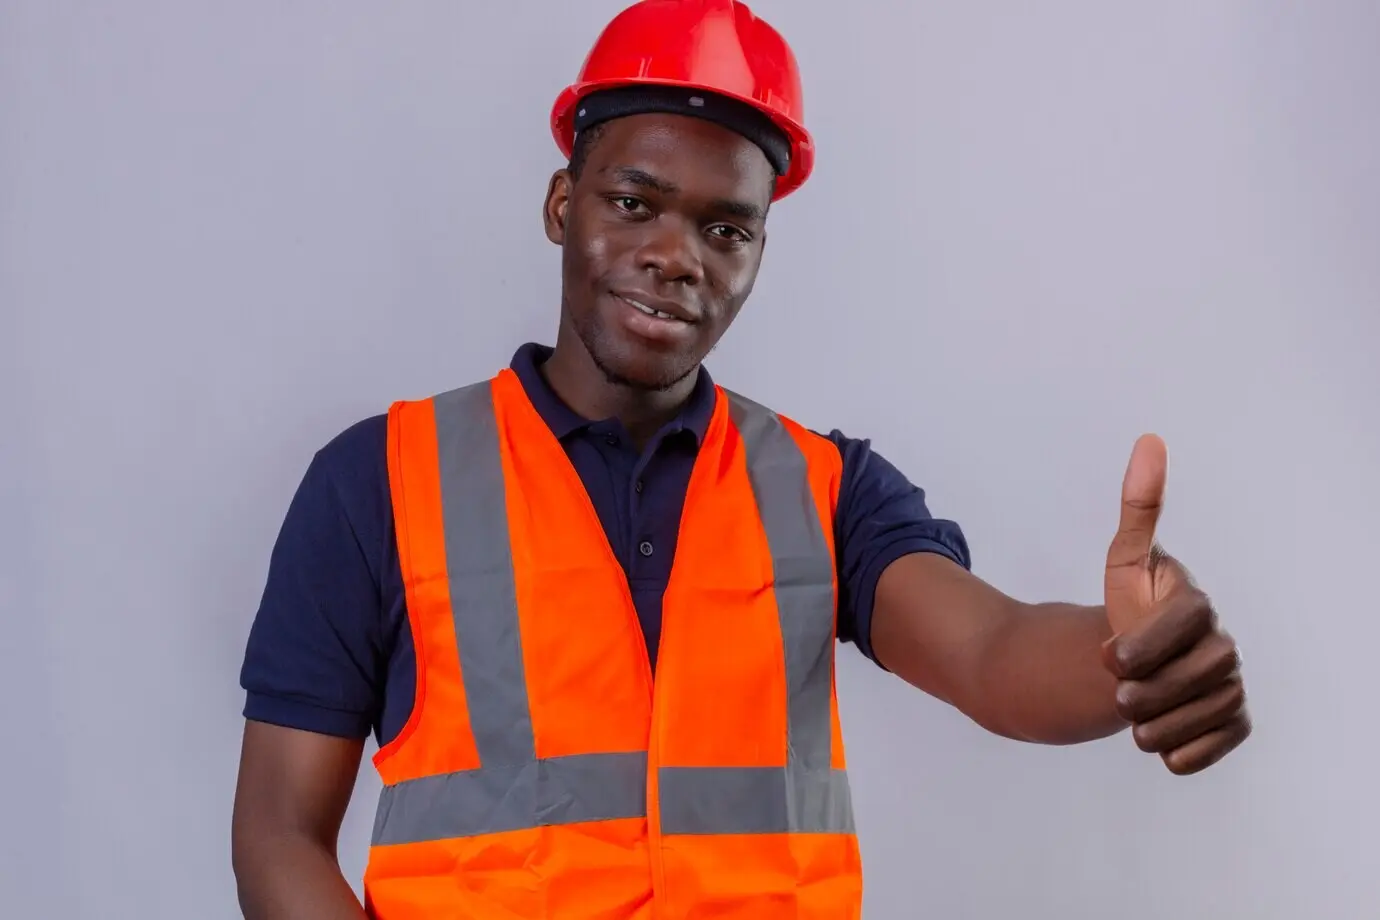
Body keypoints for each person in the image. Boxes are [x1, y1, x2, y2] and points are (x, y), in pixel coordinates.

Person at [230, 1, 1251, 917]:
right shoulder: (380, 480)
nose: (678, 255)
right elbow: (277, 831)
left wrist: (1124, 653)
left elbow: (991, 652)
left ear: (758, 252)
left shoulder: (825, 490)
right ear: (561, 202)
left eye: (726, 228)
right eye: (635, 201)